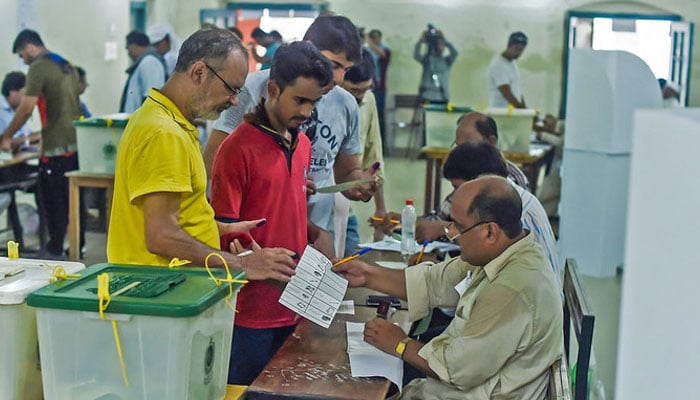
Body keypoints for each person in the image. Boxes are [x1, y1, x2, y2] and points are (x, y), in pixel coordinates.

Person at [335, 175, 563, 399]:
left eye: (458, 227)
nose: (450, 234)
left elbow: (455, 370)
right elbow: (434, 282)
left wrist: (400, 344)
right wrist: (367, 275)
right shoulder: (500, 254)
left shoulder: (513, 288)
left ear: (490, 232)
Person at [107, 28, 296, 284]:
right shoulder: (164, 133)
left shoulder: (166, 120)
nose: (233, 102)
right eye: (231, 89)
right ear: (199, 72)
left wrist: (215, 228)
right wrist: (242, 263)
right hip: (159, 291)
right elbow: (161, 236)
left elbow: (171, 216)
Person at [210, 41, 333, 385]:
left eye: (314, 102)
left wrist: (314, 234)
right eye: (300, 100)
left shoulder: (303, 145)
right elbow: (223, 229)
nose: (307, 112)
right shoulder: (237, 149)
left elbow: (281, 212)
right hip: (250, 313)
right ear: (273, 89)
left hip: (296, 306)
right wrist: (251, 258)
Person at [203, 15, 376, 259]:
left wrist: (358, 183)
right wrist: (282, 184)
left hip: (311, 233)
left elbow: (347, 171)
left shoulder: (342, 107)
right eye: (333, 64)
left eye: (345, 69)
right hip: (256, 245)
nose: (337, 78)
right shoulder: (251, 91)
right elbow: (215, 167)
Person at [1, 29, 84, 259]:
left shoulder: (38, 66)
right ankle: (78, 245)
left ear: (29, 47)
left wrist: (6, 137)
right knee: (71, 200)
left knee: (51, 200)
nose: (23, 60)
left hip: (55, 148)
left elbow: (26, 108)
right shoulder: (65, 65)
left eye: (22, 54)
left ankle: (55, 249)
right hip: (75, 142)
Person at [339, 48, 386, 255]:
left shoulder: (369, 100)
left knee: (351, 262)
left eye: (364, 90)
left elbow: (373, 154)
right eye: (353, 91)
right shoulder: (327, 102)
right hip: (318, 206)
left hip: (346, 207)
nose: (358, 97)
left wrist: (380, 209)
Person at [455, 111, 530, 191]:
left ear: (491, 142)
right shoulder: (462, 174)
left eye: (468, 147)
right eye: (458, 147)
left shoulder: (512, 181)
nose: (461, 155)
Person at [119, 30, 167, 113]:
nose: (128, 53)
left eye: (128, 48)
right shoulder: (145, 62)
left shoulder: (149, 62)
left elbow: (150, 98)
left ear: (134, 45)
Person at [414, 25, 458, 104]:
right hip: (427, 96)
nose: (441, 47)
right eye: (439, 44)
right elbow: (416, 55)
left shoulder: (446, 61)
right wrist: (420, 41)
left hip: (442, 97)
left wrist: (443, 40)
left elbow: (455, 53)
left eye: (442, 45)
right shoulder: (427, 59)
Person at [0, 71, 40, 150]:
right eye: (27, 92)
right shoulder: (1, 111)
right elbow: (2, 142)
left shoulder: (17, 110)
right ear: (13, 93)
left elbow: (26, 134)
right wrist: (27, 139)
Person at [489, 31, 528, 108]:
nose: (519, 53)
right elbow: (506, 93)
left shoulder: (512, 63)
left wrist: (526, 110)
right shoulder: (498, 64)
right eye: (516, 49)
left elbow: (518, 91)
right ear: (508, 45)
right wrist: (522, 109)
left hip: (513, 111)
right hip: (501, 112)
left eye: (521, 50)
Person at [366, 29, 390, 142]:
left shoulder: (386, 50)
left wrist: (368, 41)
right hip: (367, 88)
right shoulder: (365, 50)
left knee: (379, 117)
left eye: (377, 37)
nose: (376, 40)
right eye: (373, 37)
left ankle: (382, 143)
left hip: (379, 89)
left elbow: (382, 54)